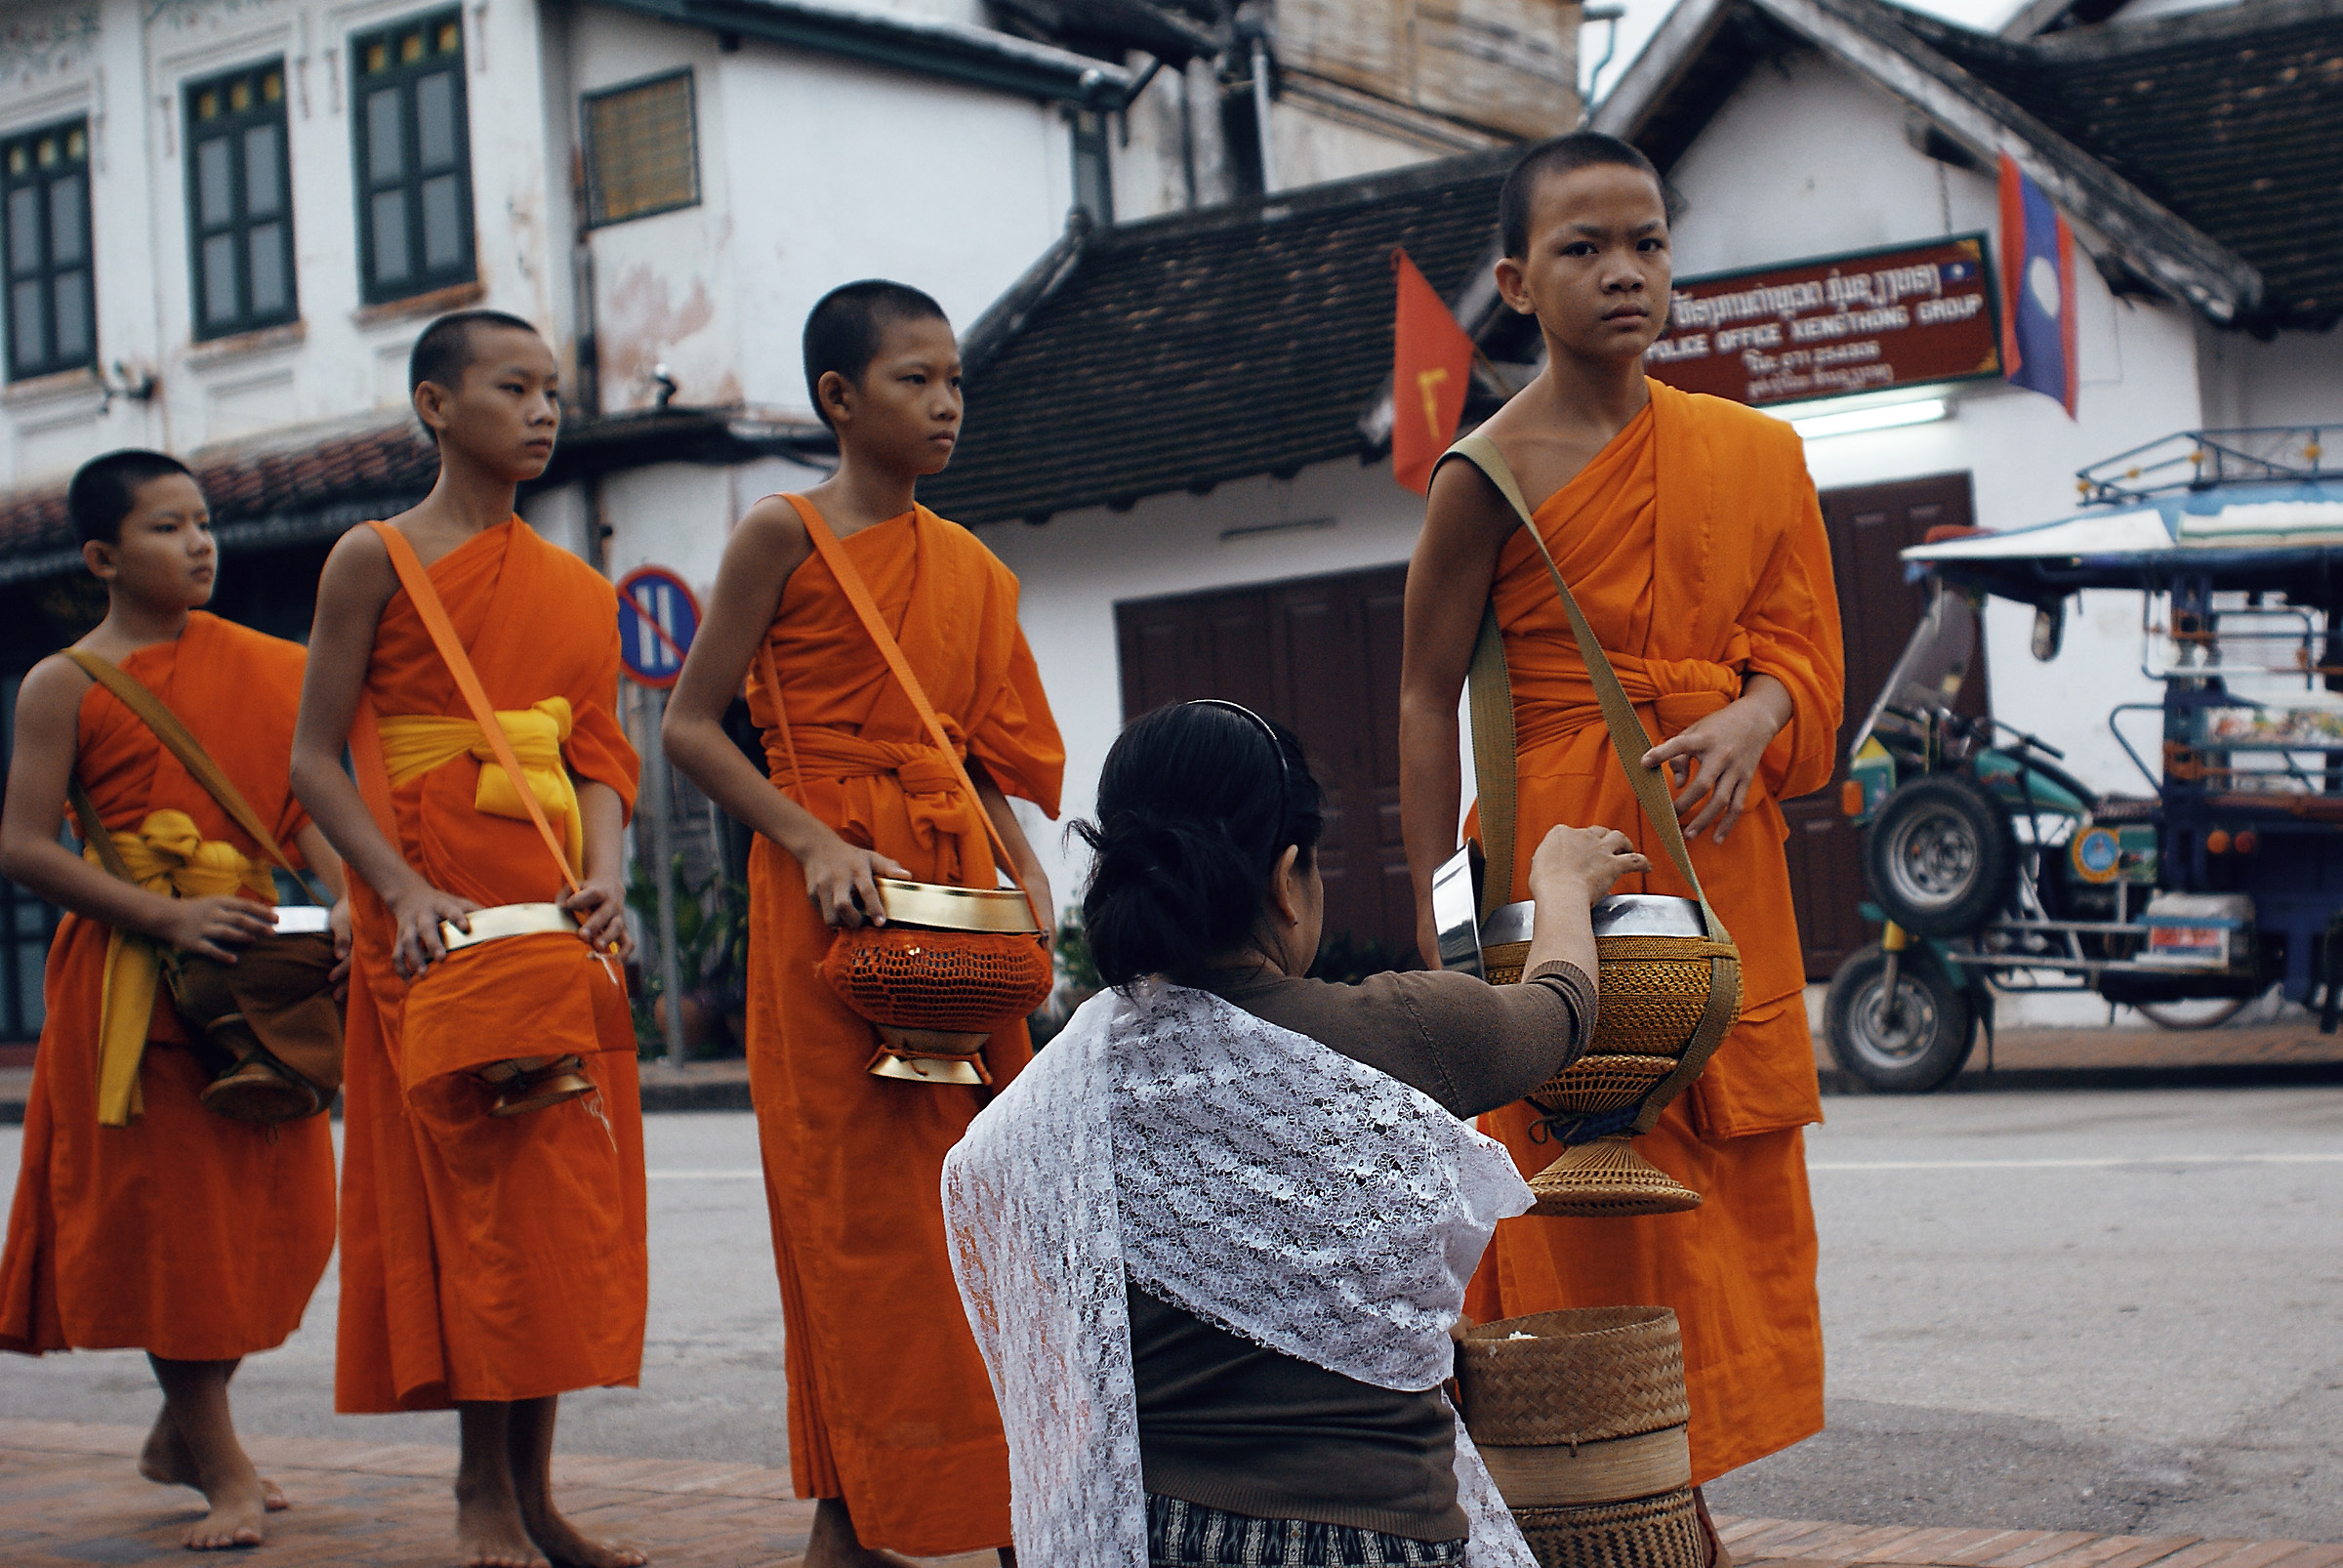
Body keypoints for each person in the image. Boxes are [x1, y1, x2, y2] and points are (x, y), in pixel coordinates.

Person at [1398, 132, 1846, 1551]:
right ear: (1516, 281)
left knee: (1720, 1203)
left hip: (1717, 856)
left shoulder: (1751, 451)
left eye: (1647, 241)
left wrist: (1752, 718)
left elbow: (1805, 662)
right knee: (1582, 1204)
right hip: (1560, 862)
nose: (1625, 272)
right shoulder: (1485, 470)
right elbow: (1421, 693)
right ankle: (1620, 1515)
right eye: (1585, 249)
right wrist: (1441, 927)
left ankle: (1680, 1509)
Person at [943, 700, 1647, 1568]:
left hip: (1156, 1539)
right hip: (1379, 1541)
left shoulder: (1059, 1098)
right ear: (1287, 877)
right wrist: (1564, 889)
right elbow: (1559, 1013)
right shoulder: (1405, 1032)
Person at [661, 279, 1063, 1567]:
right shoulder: (779, 536)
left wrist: (1029, 876)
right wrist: (810, 839)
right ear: (839, 399)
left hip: (957, 904)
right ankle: (864, 1518)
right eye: (915, 379)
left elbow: (985, 756)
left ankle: (1009, 1509)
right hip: (830, 913)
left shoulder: (973, 568)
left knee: (1000, 1210)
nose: (945, 403)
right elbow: (687, 724)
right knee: (862, 1232)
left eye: (955, 380)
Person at [290, 310, 646, 1568]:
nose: (544, 410)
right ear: (439, 405)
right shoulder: (371, 559)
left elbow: (598, 757)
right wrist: (390, 888)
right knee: (475, 1208)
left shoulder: (576, 585)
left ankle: (538, 1495)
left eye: (553, 390)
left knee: (551, 1214)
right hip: (435, 922)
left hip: (551, 915)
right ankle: (477, 1492)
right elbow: (315, 755)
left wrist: (607, 878)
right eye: (514, 387)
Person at [0, 449, 349, 1550]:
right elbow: (20, 846)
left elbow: (299, 818)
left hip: (260, 968)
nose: (199, 543)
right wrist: (163, 917)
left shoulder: (269, 666)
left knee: (291, 1222)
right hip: (137, 978)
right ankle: (225, 1468)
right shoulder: (66, 682)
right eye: (167, 527)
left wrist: (342, 910)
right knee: (178, 1239)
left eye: (203, 522)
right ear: (103, 555)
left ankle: (175, 1431)